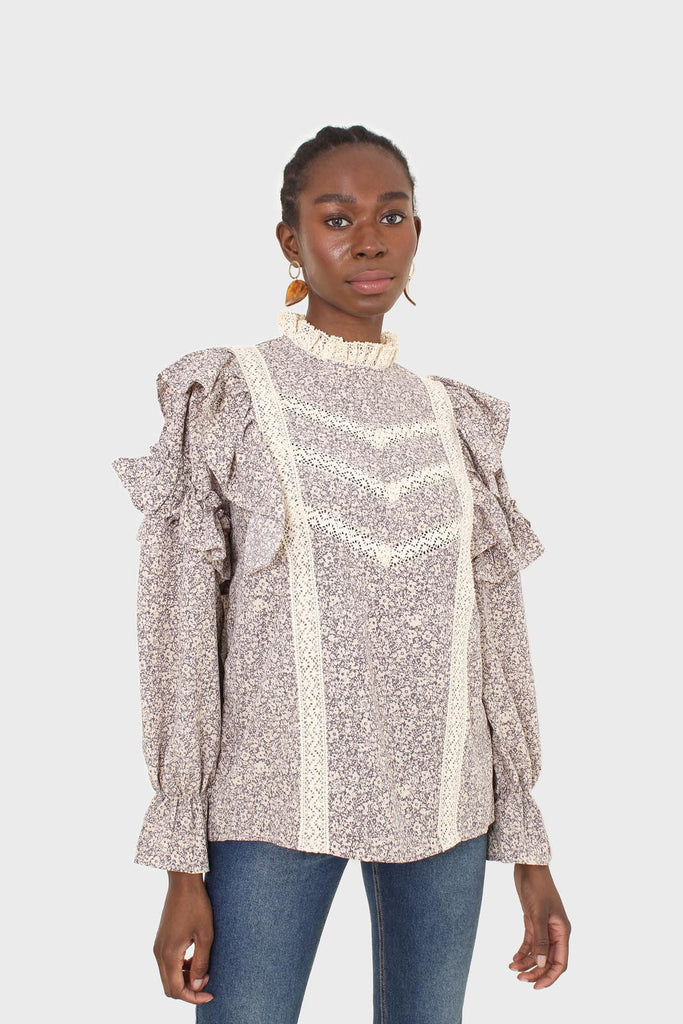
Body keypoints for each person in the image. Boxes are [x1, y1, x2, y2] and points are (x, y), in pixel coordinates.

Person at [113, 124, 571, 1022]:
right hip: (269, 800)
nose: (368, 241)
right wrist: (181, 866)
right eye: (336, 218)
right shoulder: (229, 397)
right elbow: (179, 634)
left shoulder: (454, 418)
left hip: (447, 797)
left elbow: (495, 640)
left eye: (391, 216)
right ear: (290, 241)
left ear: (416, 231)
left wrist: (530, 851)